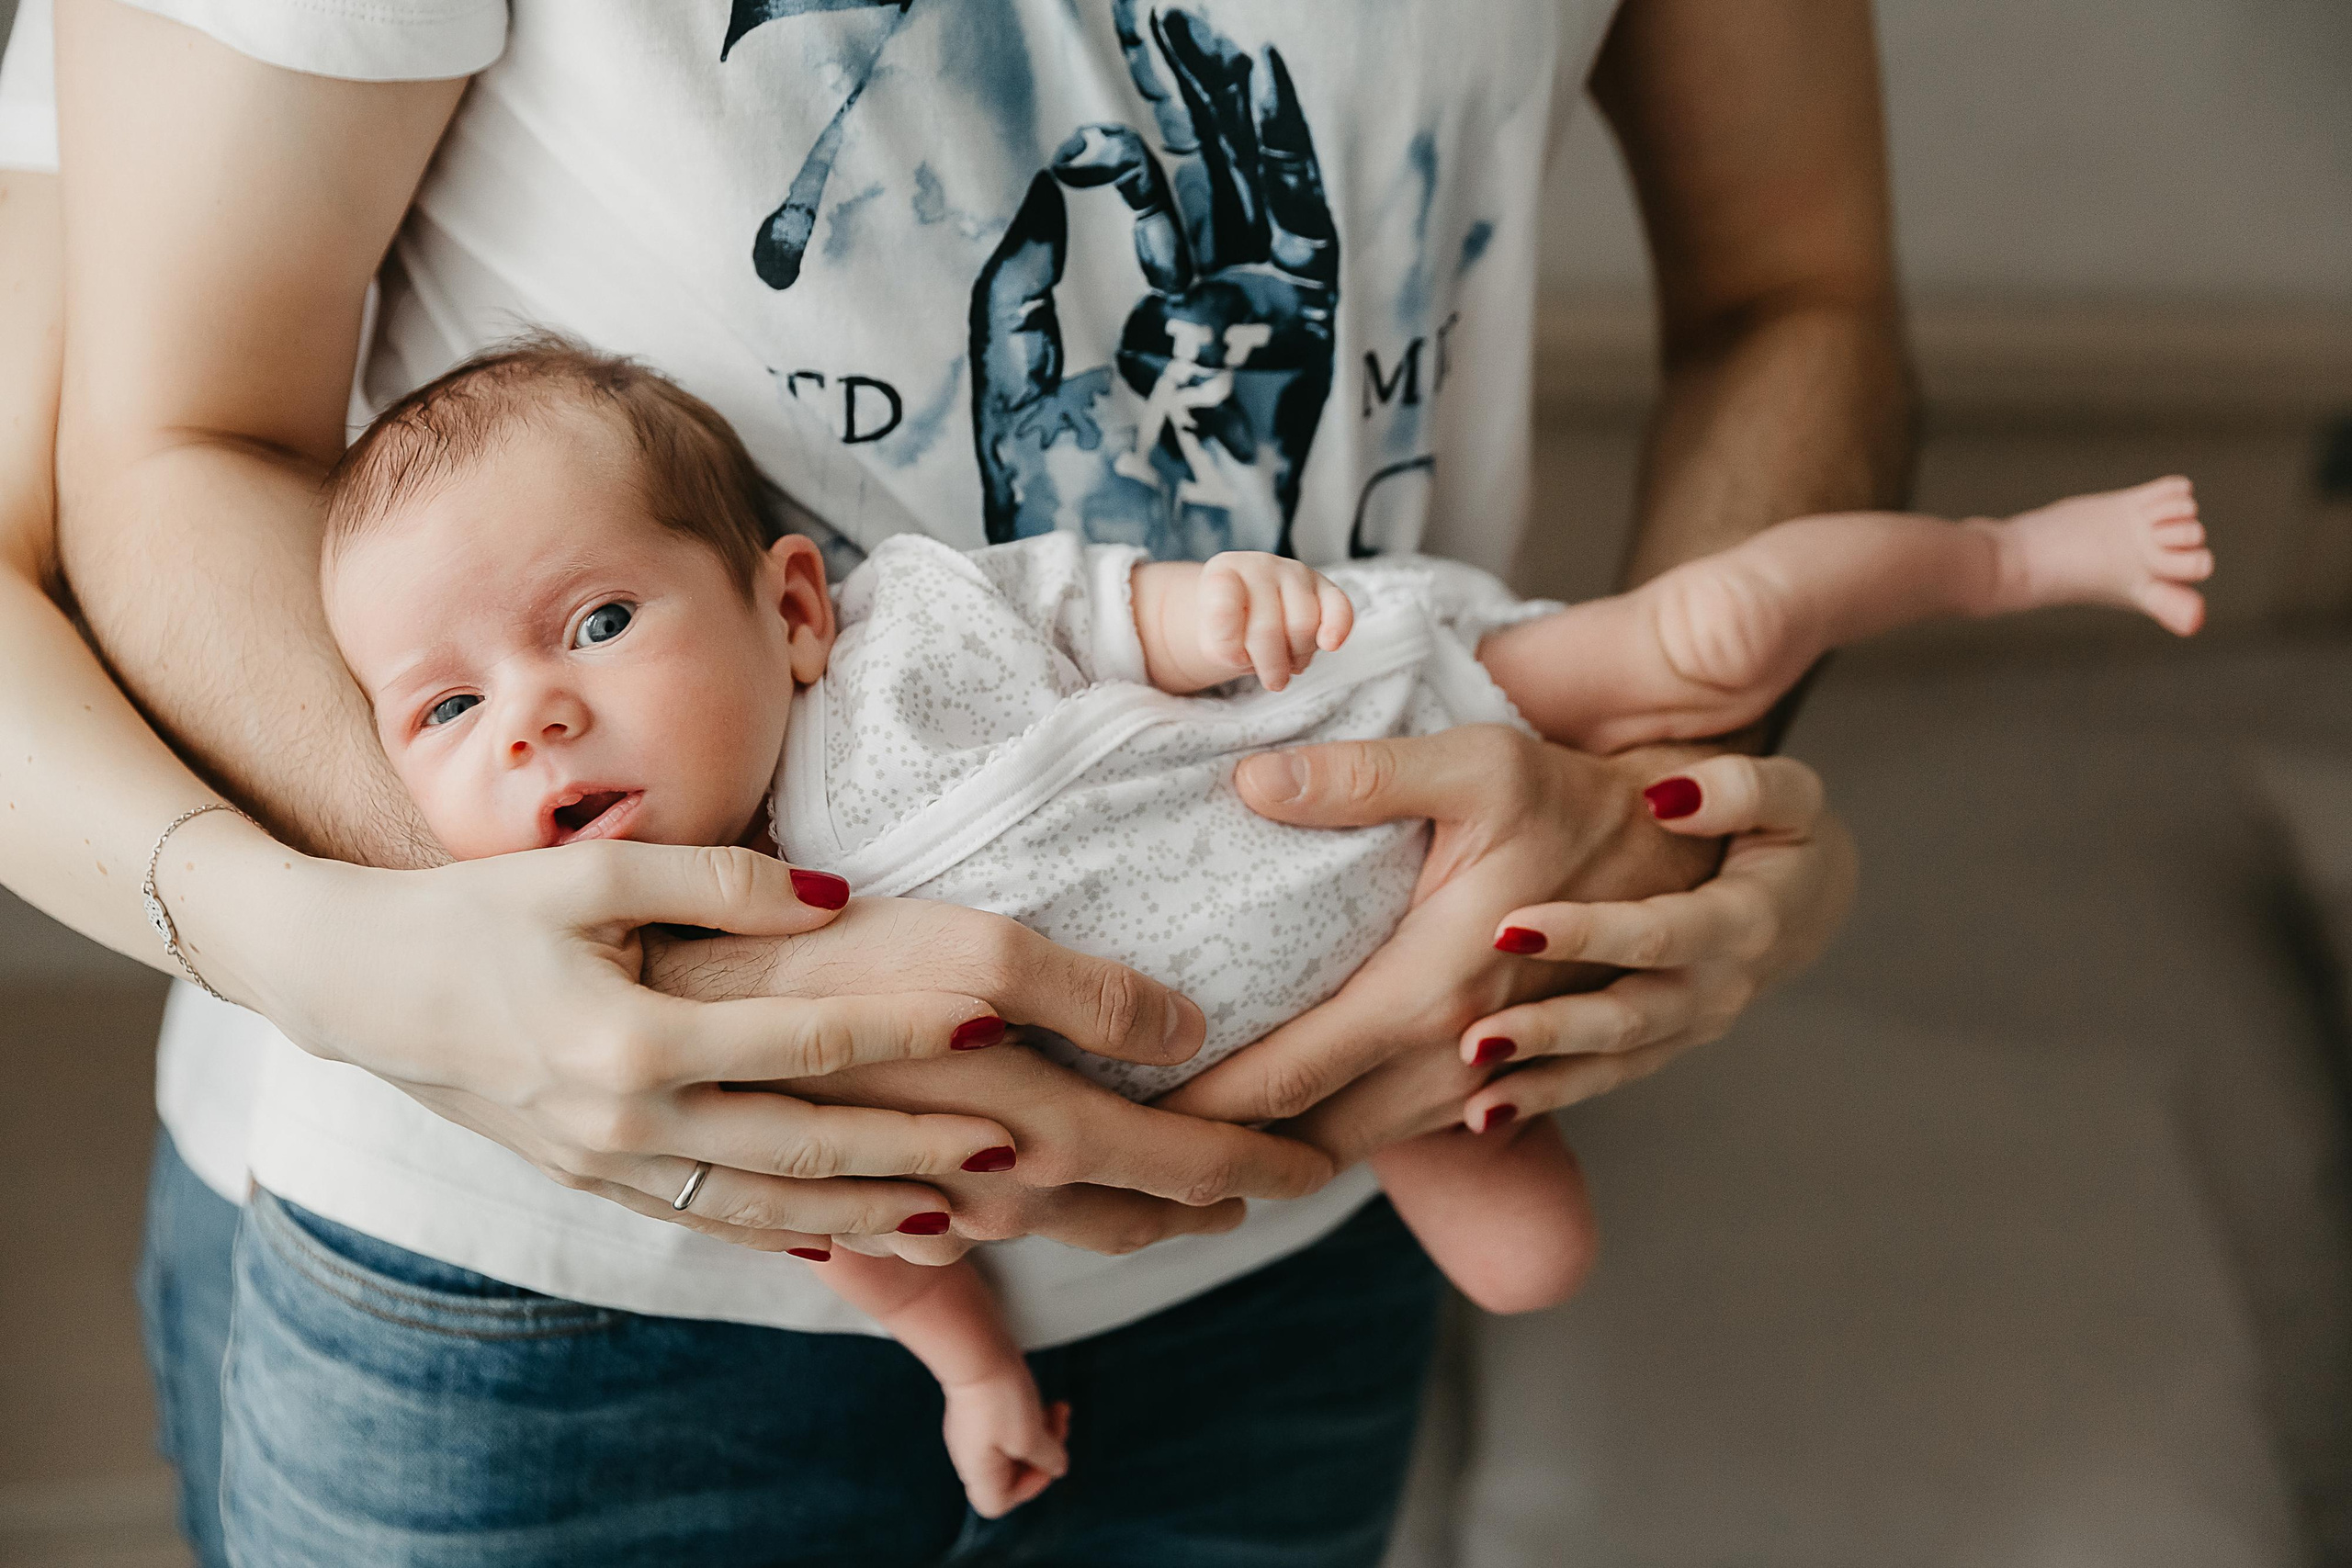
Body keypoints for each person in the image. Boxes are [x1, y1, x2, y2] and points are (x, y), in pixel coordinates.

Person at [1, 0, 1889, 1561]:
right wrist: (608, 974)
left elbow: (1790, 293)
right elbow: (166, 442)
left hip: (1297, 1220)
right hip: (543, 1289)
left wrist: (1644, 815)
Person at [316, 335, 2204, 1518]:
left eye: (590, 628)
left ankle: (2022, 552)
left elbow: (1080, 602)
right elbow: (854, 1224)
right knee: (1530, 1254)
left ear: (788, 605)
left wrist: (1208, 618)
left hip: (1413, 726)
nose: (535, 716)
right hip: (1356, 1065)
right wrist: (970, 1365)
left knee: (1705, 637)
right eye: (446, 709)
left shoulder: (897, 647)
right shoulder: (714, 1001)